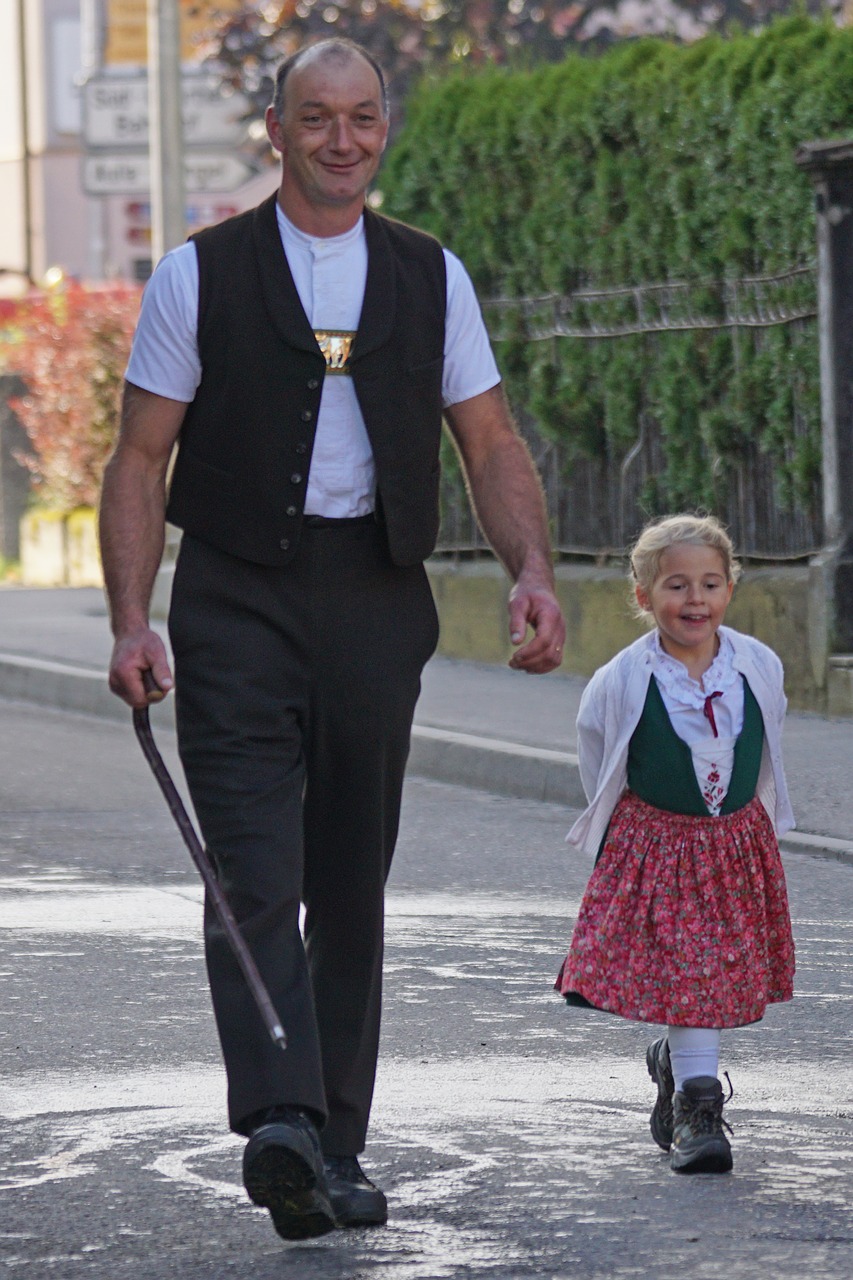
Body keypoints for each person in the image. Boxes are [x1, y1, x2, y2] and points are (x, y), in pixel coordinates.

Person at [99, 37, 565, 1242]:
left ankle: (332, 1145)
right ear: (276, 128)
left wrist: (532, 572)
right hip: (236, 598)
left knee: (349, 884)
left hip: (375, 596)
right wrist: (129, 617)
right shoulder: (199, 275)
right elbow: (141, 457)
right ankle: (283, 1122)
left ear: (384, 129)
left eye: (361, 118)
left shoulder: (430, 274)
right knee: (256, 873)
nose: (341, 141)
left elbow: (492, 440)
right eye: (317, 118)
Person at [555, 513, 795, 1174]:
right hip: (659, 844)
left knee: (711, 970)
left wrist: (755, 824)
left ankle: (677, 1060)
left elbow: (766, 743)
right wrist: (622, 832)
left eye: (709, 584)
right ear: (643, 596)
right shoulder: (622, 680)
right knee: (691, 969)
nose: (694, 600)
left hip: (733, 844)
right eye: (675, 586)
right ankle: (697, 1109)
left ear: (728, 590)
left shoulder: (758, 666)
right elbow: (597, 760)